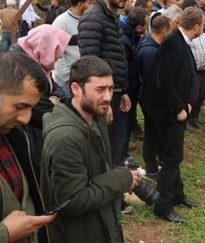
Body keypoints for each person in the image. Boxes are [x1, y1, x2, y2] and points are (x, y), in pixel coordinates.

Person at [41, 56, 142, 242]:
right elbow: (72, 201)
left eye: (111, 88)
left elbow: (98, 171)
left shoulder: (94, 115)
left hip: (101, 221)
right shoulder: (66, 137)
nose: (108, 97)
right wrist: (122, 178)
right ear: (75, 89)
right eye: (100, 89)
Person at [150, 7, 203, 223]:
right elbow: (165, 80)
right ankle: (162, 205)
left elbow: (186, 77)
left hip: (180, 111)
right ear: (197, 26)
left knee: (175, 155)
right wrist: (179, 109)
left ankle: (178, 195)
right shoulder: (172, 43)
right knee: (172, 158)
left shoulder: (182, 42)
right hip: (169, 114)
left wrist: (188, 104)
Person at [78, 0, 133, 167]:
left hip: (115, 92)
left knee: (117, 148)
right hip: (103, 96)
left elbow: (115, 56)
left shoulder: (111, 16)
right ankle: (108, 197)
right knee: (104, 151)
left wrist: (123, 90)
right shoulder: (93, 17)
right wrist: (103, 100)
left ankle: (115, 194)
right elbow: (90, 64)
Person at [0, 52, 55, 243]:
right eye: (20, 106)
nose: (26, 118)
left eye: (31, 108)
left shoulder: (14, 138)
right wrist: (5, 233)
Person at [11, 24, 71, 163]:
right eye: (57, 49)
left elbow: (57, 87)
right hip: (28, 139)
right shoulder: (22, 70)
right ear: (44, 46)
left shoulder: (38, 63)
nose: (61, 55)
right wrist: (57, 103)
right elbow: (42, 110)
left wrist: (55, 96)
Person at [133, 14, 172, 180]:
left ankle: (158, 162)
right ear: (164, 31)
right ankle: (152, 168)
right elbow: (151, 81)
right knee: (151, 135)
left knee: (156, 134)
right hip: (151, 101)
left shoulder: (154, 46)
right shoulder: (150, 51)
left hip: (154, 100)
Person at [51, 0, 94, 98]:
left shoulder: (89, 20)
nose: (92, 6)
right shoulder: (61, 22)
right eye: (90, 3)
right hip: (68, 80)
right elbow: (55, 52)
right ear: (80, 4)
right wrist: (68, 76)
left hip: (84, 77)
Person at [120, 7, 148, 149]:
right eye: (146, 24)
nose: (147, 27)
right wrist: (125, 90)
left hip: (133, 84)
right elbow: (124, 67)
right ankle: (122, 150)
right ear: (138, 27)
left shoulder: (132, 36)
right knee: (125, 117)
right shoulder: (125, 41)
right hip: (127, 86)